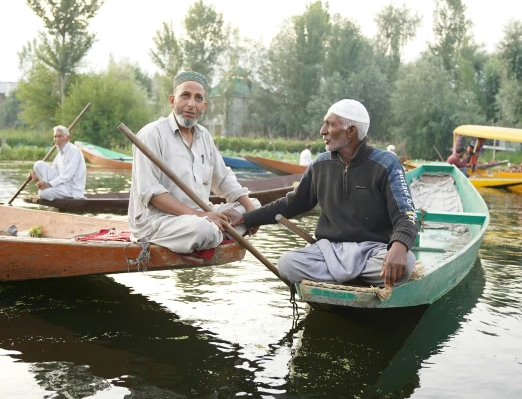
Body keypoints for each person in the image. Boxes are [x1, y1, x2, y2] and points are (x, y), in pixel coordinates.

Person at [227, 99, 418, 288]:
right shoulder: (320, 165)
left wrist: (399, 245)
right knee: (287, 264)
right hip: (329, 252)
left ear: (351, 131)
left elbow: (406, 215)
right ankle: (355, 280)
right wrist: (247, 219)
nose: (322, 130)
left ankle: (336, 278)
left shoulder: (386, 163)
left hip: (373, 251)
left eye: (329, 124)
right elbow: (291, 204)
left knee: (406, 263)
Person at [128, 71, 260, 255]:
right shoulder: (151, 134)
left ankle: (208, 237)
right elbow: (152, 194)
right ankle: (216, 235)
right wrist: (201, 216)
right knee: (203, 229)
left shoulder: (204, 136)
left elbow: (223, 181)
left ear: (204, 106)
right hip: (159, 220)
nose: (191, 104)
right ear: (172, 100)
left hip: (202, 216)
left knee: (254, 204)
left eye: (198, 99)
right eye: (185, 96)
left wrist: (253, 213)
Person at [29, 126, 86, 200]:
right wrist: (37, 175)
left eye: (60, 136)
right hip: (61, 186)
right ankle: (45, 188)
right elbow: (53, 172)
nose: (57, 139)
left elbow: (67, 176)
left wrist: (49, 184)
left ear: (68, 138)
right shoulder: (60, 153)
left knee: (42, 193)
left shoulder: (74, 150)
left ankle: (46, 190)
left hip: (71, 190)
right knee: (38, 164)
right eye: (55, 137)